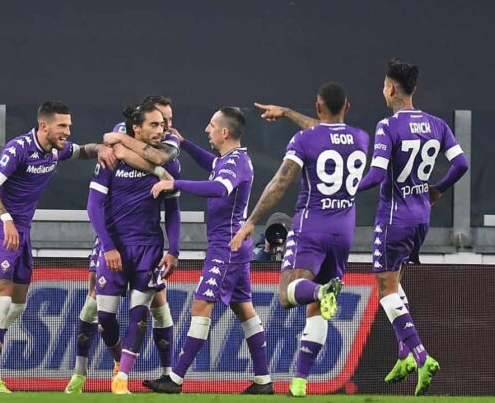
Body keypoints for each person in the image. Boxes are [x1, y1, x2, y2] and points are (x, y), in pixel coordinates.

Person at [0, 101, 117, 393]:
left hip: (22, 232)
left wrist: (101, 149)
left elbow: (82, 151)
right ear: (44, 126)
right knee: (1, 302)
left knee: (17, 306)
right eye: (62, 126)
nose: (68, 131)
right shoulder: (18, 149)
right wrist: (6, 220)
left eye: (69, 125)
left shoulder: (55, 150)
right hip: (0, 228)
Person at [230, 83, 369, 397]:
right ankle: (299, 382)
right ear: (347, 107)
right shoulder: (361, 138)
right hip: (344, 230)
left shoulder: (304, 140)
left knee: (286, 294)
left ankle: (322, 290)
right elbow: (327, 132)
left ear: (318, 107)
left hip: (311, 226)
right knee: (317, 309)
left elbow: (280, 184)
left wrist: (251, 221)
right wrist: (287, 113)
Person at [355, 58, 468, 396]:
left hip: (394, 218)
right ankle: (403, 355)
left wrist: (346, 189)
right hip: (421, 216)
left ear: (391, 89)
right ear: (413, 89)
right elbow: (461, 163)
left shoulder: (387, 127)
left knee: (385, 287)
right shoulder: (437, 124)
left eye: (383, 85)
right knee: (395, 282)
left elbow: (377, 175)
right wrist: (438, 190)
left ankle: (421, 357)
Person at [146, 107, 273, 395]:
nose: (208, 129)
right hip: (232, 245)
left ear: (225, 132)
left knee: (201, 305)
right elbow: (213, 165)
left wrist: (174, 183)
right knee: (244, 309)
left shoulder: (235, 162)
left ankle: (175, 379)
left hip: (227, 246)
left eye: (212, 125)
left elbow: (218, 188)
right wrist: (185, 143)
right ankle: (263, 380)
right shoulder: (230, 159)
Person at [64, 96, 180, 394]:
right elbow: (94, 205)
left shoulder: (170, 150)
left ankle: (126, 377)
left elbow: (172, 207)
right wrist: (108, 246)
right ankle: (96, 366)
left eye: (166, 122)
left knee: (143, 313)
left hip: (148, 248)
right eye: (157, 123)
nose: (165, 128)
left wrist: (174, 249)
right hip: (113, 245)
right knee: (102, 314)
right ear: (137, 127)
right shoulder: (112, 155)